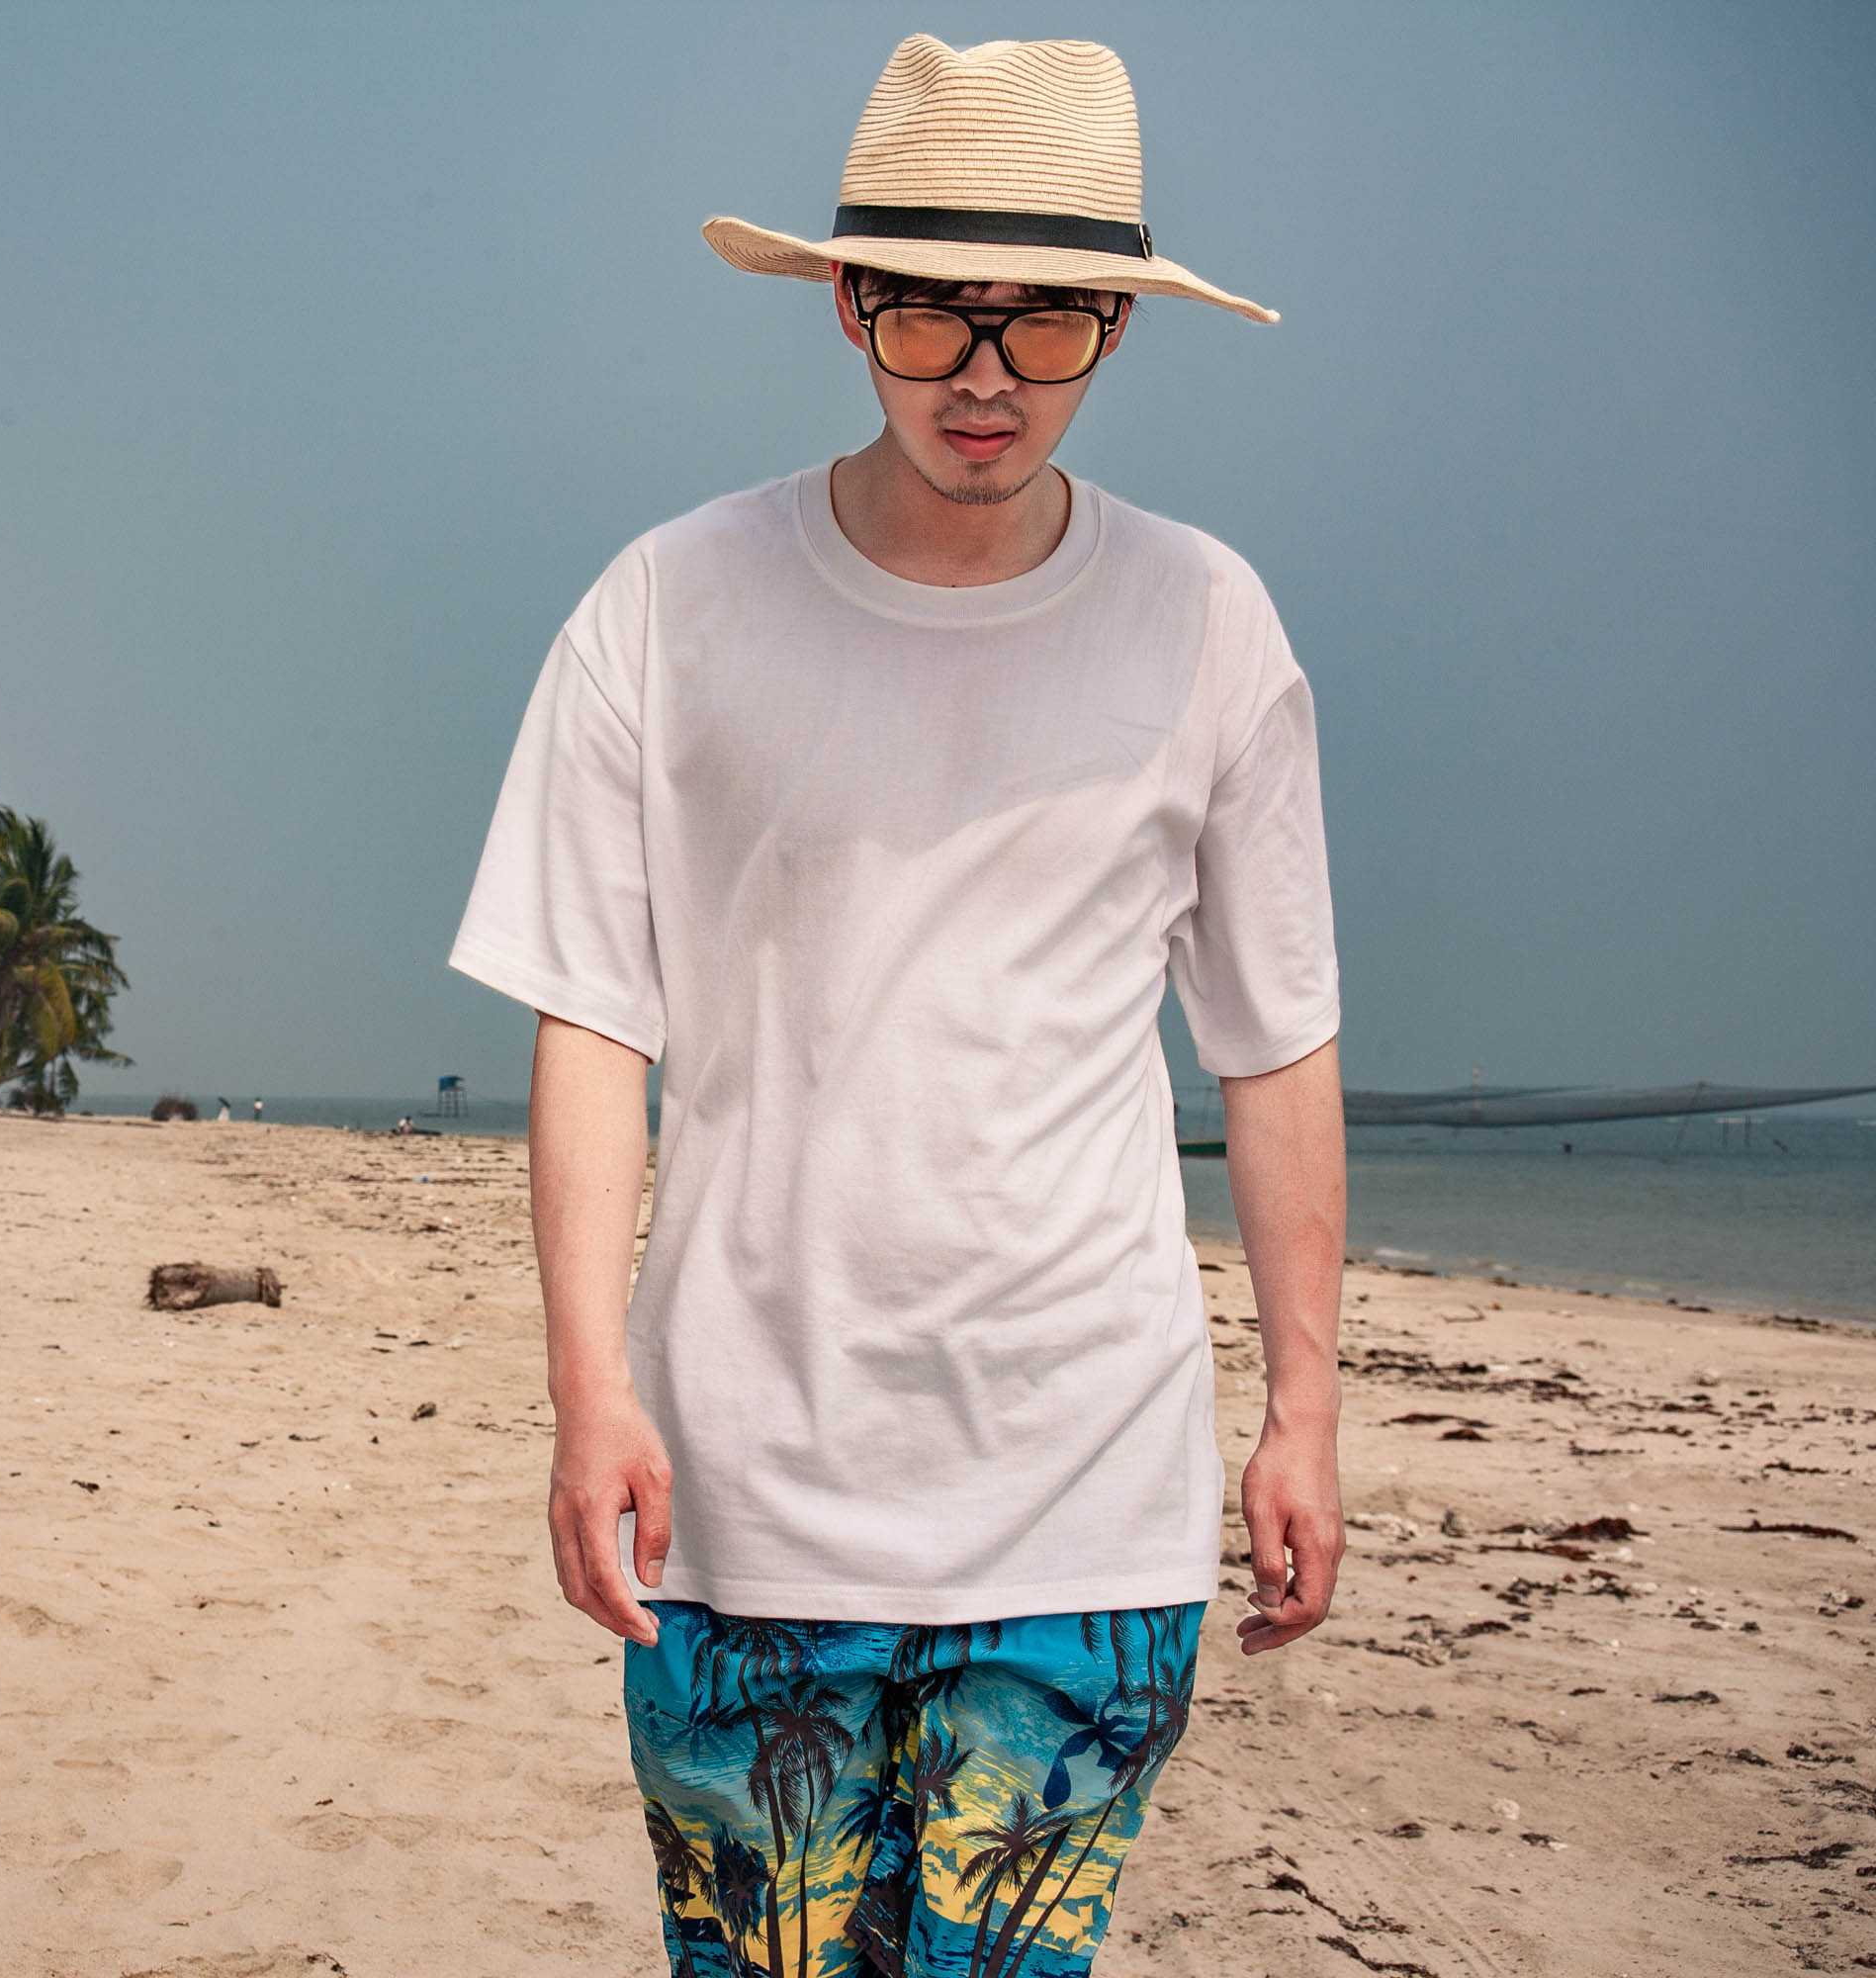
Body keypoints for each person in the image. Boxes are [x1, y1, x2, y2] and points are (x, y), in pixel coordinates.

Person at [449, 37, 1346, 1975]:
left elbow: (1274, 1048)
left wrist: (1305, 1411)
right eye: (938, 311)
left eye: (1051, 323)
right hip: (742, 1496)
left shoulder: (1208, 623)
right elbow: (593, 1021)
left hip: (1089, 1500)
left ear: (1120, 324)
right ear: (852, 299)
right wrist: (589, 1392)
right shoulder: (666, 606)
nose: (989, 375)